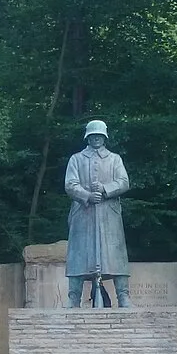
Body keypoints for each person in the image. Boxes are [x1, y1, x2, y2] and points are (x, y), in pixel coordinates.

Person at [64, 119, 130, 307]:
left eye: (100, 136)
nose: (96, 139)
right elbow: (70, 184)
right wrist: (86, 196)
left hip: (109, 215)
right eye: (93, 136)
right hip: (83, 214)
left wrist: (104, 189)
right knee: (78, 256)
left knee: (116, 256)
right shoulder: (76, 159)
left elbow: (124, 181)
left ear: (105, 137)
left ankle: (123, 296)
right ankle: (73, 297)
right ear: (87, 137)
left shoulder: (114, 159)